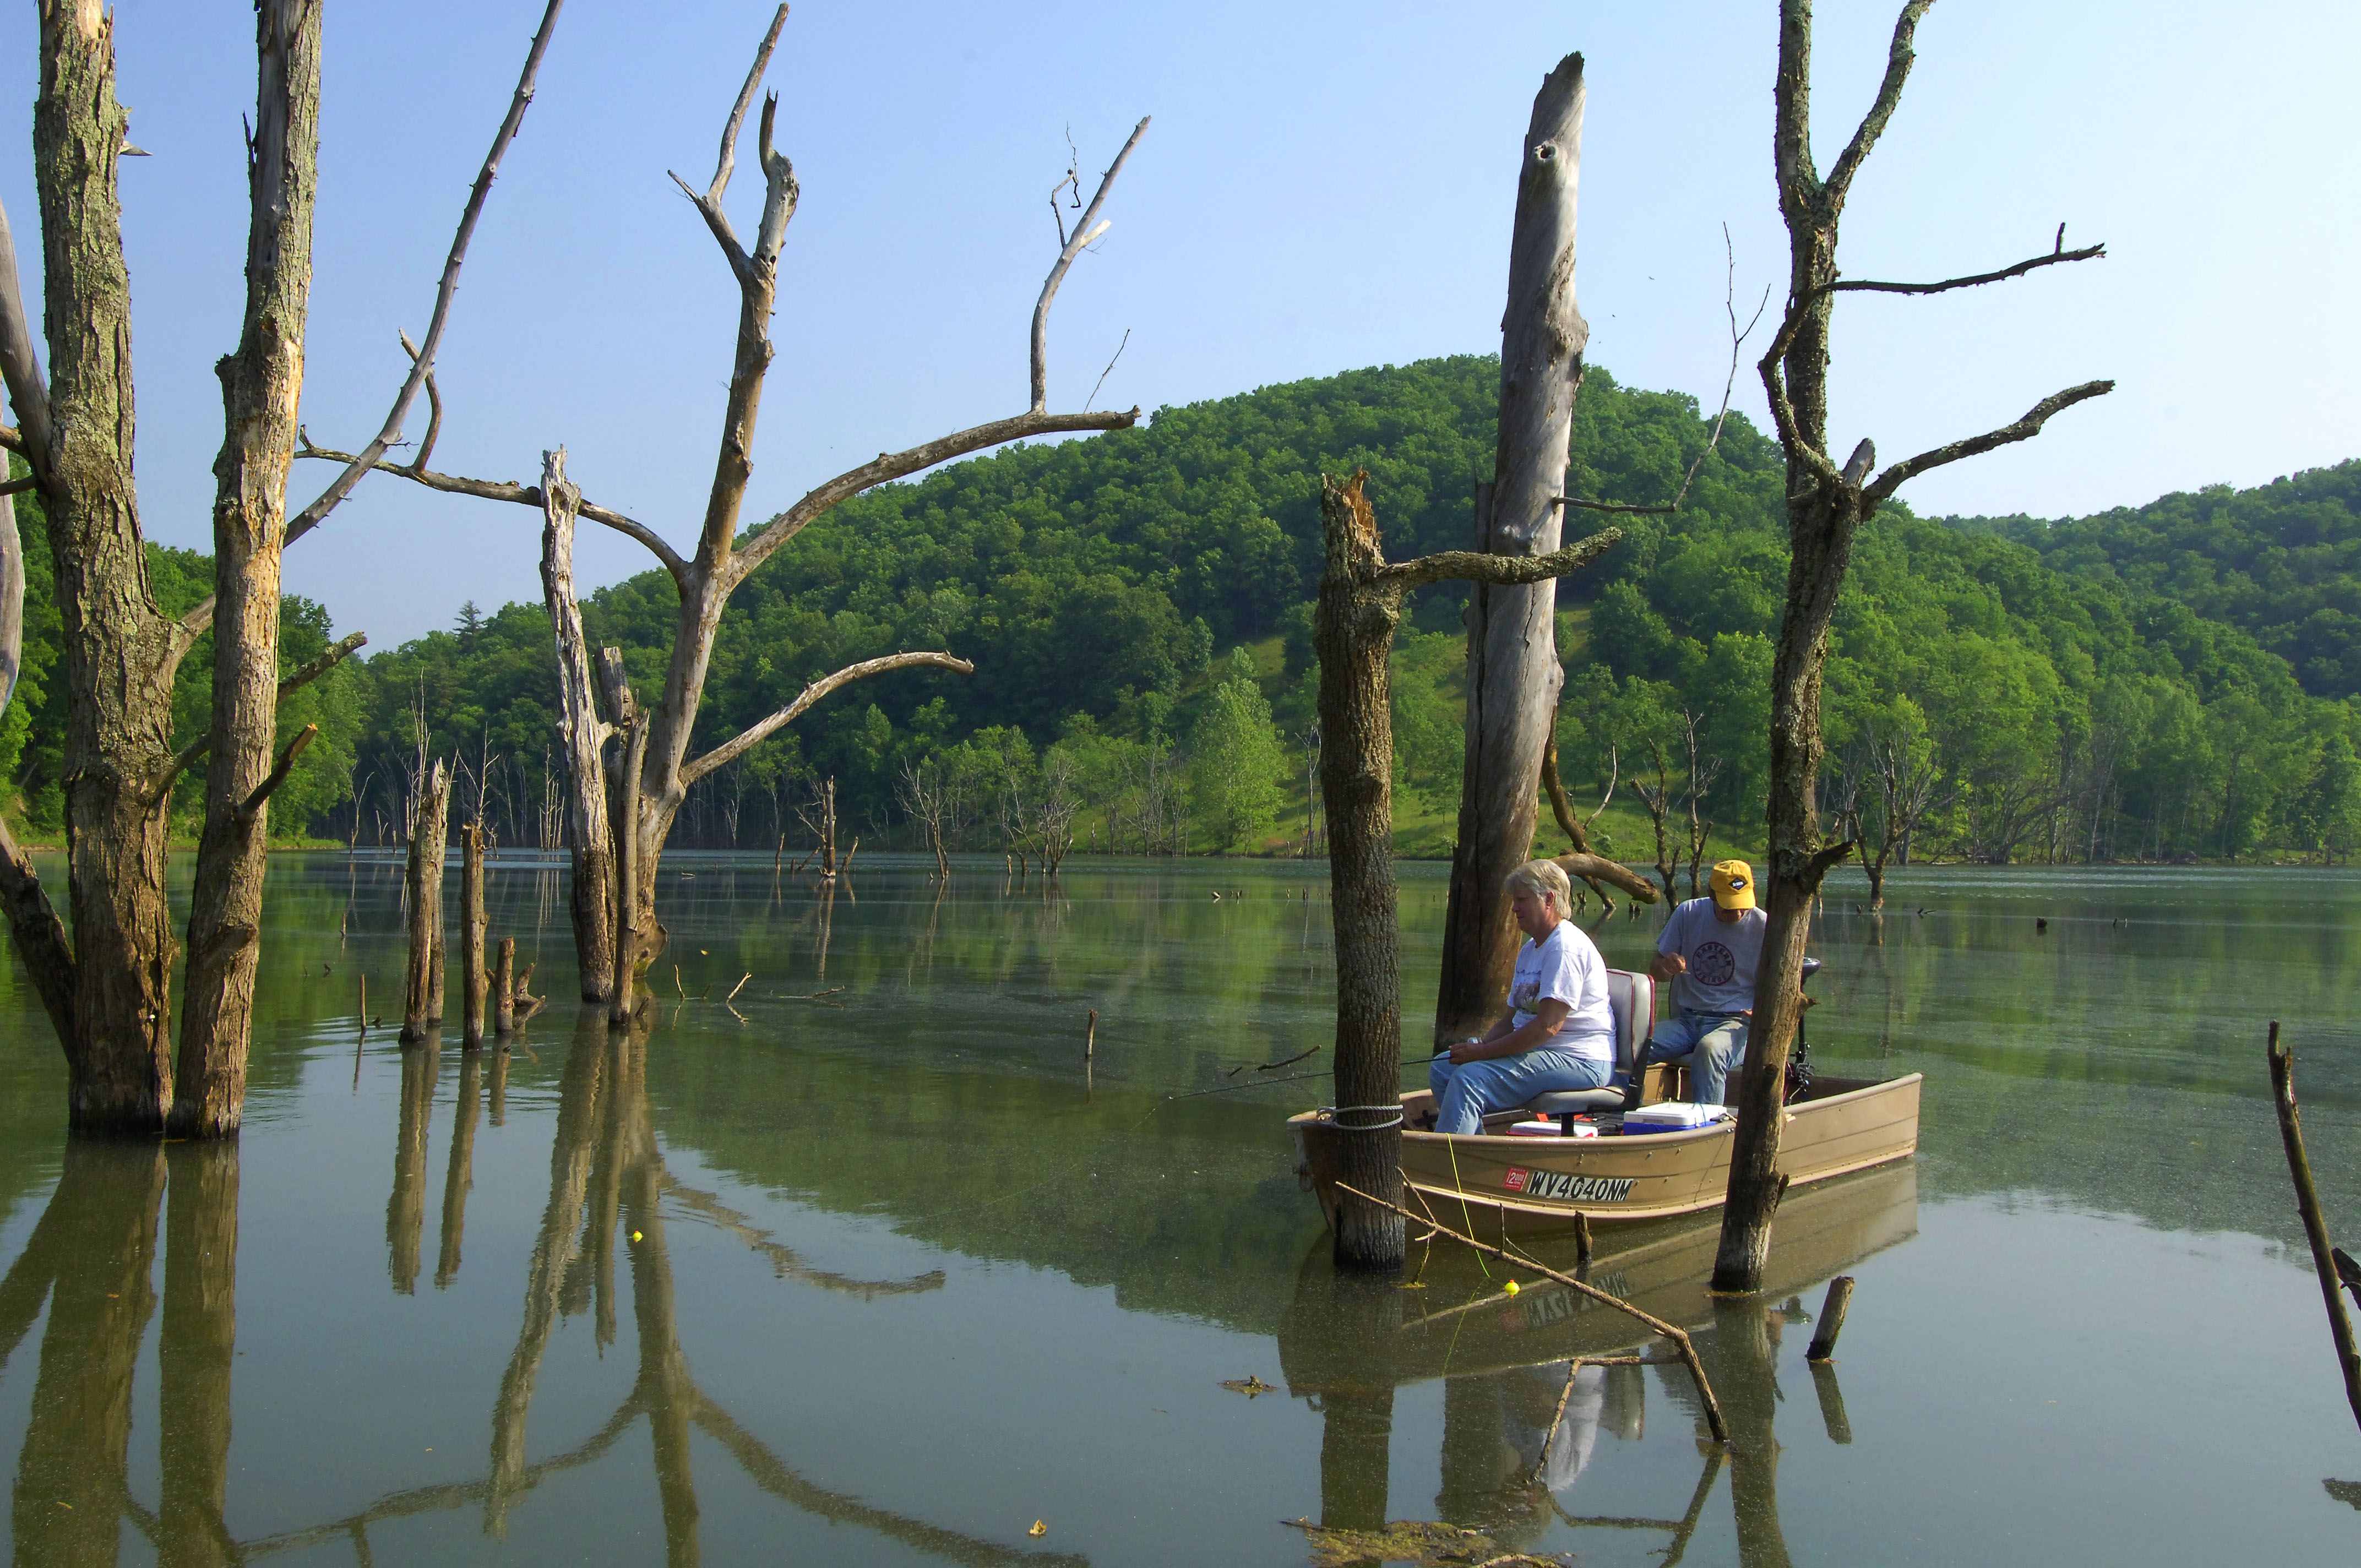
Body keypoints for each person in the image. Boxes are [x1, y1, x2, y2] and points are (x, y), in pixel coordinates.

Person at [1428, 859, 1615, 1135]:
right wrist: (1477, 1049)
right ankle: (1477, 1152)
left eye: (1522, 900)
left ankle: (1453, 1162)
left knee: (1470, 1081)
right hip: (1545, 1052)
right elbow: (1510, 1020)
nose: (1514, 908)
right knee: (1444, 1068)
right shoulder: (1531, 949)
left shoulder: (1565, 947)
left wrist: (1483, 1054)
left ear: (1549, 899)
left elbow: (1547, 1027)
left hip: (1581, 1059)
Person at [1630, 858, 1766, 1107]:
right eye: (1728, 906)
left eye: (1742, 905)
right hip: (1688, 1020)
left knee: (1709, 1049)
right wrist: (1666, 967)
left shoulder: (1765, 926)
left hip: (1737, 1023)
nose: (1737, 913)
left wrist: (1762, 1012)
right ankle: (1620, 1114)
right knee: (1632, 1043)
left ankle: (1708, 1122)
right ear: (1712, 895)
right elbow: (1656, 969)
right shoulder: (1689, 913)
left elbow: (1782, 985)